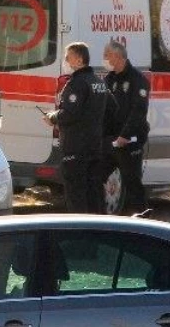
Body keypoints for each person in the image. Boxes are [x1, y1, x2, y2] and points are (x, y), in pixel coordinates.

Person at [45, 42, 108, 213]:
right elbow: (111, 111)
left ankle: (80, 232)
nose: (65, 60)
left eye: (68, 56)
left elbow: (70, 114)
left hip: (75, 148)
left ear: (79, 59)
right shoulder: (99, 82)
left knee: (76, 195)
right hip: (94, 146)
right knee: (95, 193)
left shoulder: (77, 83)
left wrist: (53, 116)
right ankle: (99, 228)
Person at [102, 40, 150, 214]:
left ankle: (143, 218)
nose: (104, 59)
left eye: (106, 55)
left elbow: (138, 112)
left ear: (117, 56)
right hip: (110, 140)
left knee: (131, 182)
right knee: (98, 178)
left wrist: (125, 135)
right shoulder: (109, 79)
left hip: (129, 141)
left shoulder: (138, 80)